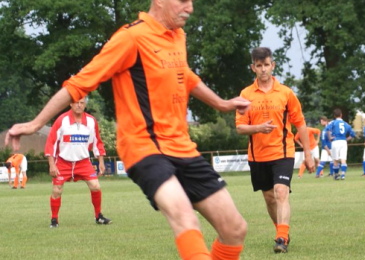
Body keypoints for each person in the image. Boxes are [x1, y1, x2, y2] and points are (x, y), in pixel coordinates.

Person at [4, 1, 250, 259]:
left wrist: (222, 103)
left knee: (234, 228)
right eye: (182, 1)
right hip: (143, 147)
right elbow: (79, 83)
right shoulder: (130, 38)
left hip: (181, 146)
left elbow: (184, 74)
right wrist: (35, 124)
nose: (189, 7)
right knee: (185, 218)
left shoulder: (178, 36)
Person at [235, 47, 315, 254]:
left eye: (266, 65)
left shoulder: (286, 93)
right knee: (270, 198)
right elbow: (240, 127)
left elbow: (301, 124)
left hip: (283, 152)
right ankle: (281, 230)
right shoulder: (245, 94)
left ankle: (281, 238)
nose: (263, 69)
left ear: (273, 66)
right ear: (253, 67)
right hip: (257, 156)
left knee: (281, 192)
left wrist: (308, 155)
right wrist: (258, 128)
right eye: (259, 66)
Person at [44, 97, 112, 228]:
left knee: (95, 186)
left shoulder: (91, 122)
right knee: (57, 191)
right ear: (70, 103)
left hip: (83, 162)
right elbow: (51, 142)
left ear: (85, 104)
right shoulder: (61, 120)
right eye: (76, 103)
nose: (79, 105)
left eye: (82, 103)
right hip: (63, 162)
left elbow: (97, 142)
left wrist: (101, 161)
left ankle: (99, 216)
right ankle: (54, 220)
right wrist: (52, 164)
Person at [327, 108, 356, 180]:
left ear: (334, 115)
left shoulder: (332, 122)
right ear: (341, 115)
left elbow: (327, 129)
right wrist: (346, 139)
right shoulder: (346, 124)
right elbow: (352, 134)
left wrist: (330, 137)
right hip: (343, 142)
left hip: (335, 141)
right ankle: (343, 175)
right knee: (343, 159)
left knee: (335, 160)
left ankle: (336, 175)